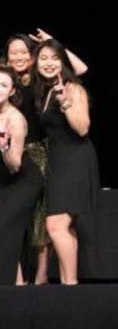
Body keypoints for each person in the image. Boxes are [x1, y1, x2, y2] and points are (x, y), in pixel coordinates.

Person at [34, 39, 99, 285]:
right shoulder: (47, 90)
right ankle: (66, 284)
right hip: (58, 163)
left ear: (63, 62)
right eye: (43, 58)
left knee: (55, 226)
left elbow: (82, 128)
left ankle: (70, 286)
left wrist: (66, 103)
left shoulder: (72, 88)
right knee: (64, 227)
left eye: (54, 58)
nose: (49, 63)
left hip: (76, 161)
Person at [0, 66, 43, 285]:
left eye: (3, 85)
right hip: (2, 183)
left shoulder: (15, 119)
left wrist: (4, 147)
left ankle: (12, 289)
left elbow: (15, 165)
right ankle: (9, 287)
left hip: (23, 181)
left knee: (1, 231)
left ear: (12, 91)